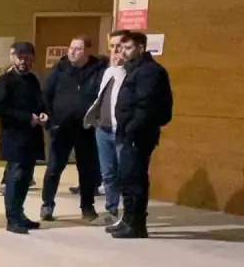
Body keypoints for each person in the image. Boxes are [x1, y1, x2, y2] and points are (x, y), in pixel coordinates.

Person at [111, 31, 173, 239]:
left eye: (128, 48)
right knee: (126, 177)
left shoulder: (149, 71)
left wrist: (132, 130)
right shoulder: (134, 69)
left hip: (138, 135)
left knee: (135, 179)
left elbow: (145, 105)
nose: (124, 52)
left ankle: (137, 225)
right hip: (129, 133)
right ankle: (128, 219)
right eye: (122, 48)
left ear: (141, 48)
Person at [40, 36, 106, 222]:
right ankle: (47, 204)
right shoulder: (60, 69)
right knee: (54, 168)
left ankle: (87, 206)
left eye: (78, 49)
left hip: (87, 128)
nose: (72, 52)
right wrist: (49, 117)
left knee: (87, 169)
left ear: (88, 51)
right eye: (71, 48)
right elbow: (45, 93)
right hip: (61, 127)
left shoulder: (99, 70)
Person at [0, 42, 48, 234]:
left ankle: (20, 214)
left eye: (28, 57)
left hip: (32, 137)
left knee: (25, 178)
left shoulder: (32, 79)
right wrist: (27, 118)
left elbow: (40, 102)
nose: (24, 61)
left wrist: (43, 113)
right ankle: (12, 218)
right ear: (13, 57)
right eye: (20, 57)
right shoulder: (5, 80)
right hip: (14, 137)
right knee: (15, 177)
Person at [83, 30, 130, 227]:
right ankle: (112, 210)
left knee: (125, 174)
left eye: (120, 46)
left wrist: (120, 67)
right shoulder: (108, 71)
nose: (116, 51)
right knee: (108, 174)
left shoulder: (131, 72)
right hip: (102, 129)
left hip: (121, 131)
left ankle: (128, 214)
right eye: (112, 46)